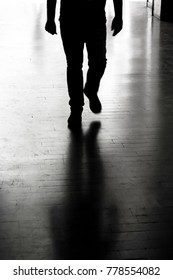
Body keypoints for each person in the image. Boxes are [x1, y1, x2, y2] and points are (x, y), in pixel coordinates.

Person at [45, 0, 123, 129]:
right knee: (75, 65)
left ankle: (90, 89)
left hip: (93, 19)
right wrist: (49, 18)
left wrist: (119, 16)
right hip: (71, 19)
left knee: (97, 62)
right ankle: (76, 109)